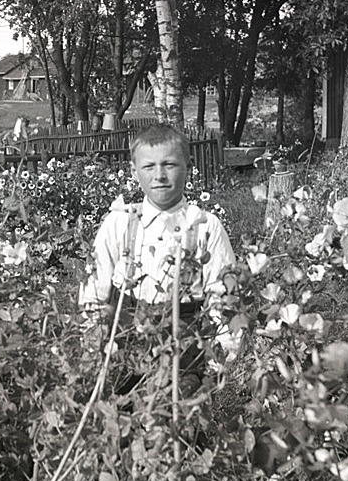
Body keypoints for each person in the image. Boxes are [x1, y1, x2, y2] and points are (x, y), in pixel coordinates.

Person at [79, 124, 238, 389]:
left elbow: (223, 300)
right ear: (134, 171)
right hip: (125, 352)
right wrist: (93, 343)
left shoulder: (204, 226)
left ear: (187, 165)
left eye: (169, 165)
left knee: (178, 422)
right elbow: (94, 290)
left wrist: (221, 360)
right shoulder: (121, 223)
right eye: (149, 167)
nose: (160, 176)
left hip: (185, 353)